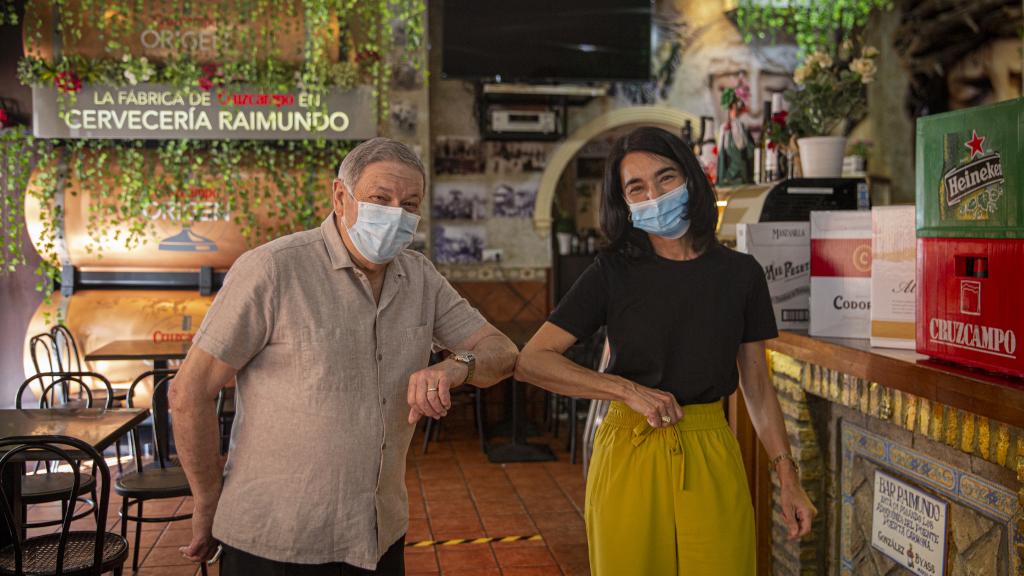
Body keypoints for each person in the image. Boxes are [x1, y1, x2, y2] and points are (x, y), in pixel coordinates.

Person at [169, 138, 519, 575]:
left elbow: (501, 351)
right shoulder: (274, 269)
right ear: (340, 197)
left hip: (376, 535)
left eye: (409, 204)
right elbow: (189, 391)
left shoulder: (421, 278)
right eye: (380, 199)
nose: (396, 214)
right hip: (276, 541)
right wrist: (206, 500)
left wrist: (456, 366)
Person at [515, 127, 816, 575]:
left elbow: (756, 384)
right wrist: (625, 391)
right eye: (637, 187)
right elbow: (532, 361)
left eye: (666, 178)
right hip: (629, 448)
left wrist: (787, 477)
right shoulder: (612, 272)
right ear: (625, 202)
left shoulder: (742, 274)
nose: (654, 194)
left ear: (691, 179)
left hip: (711, 449)